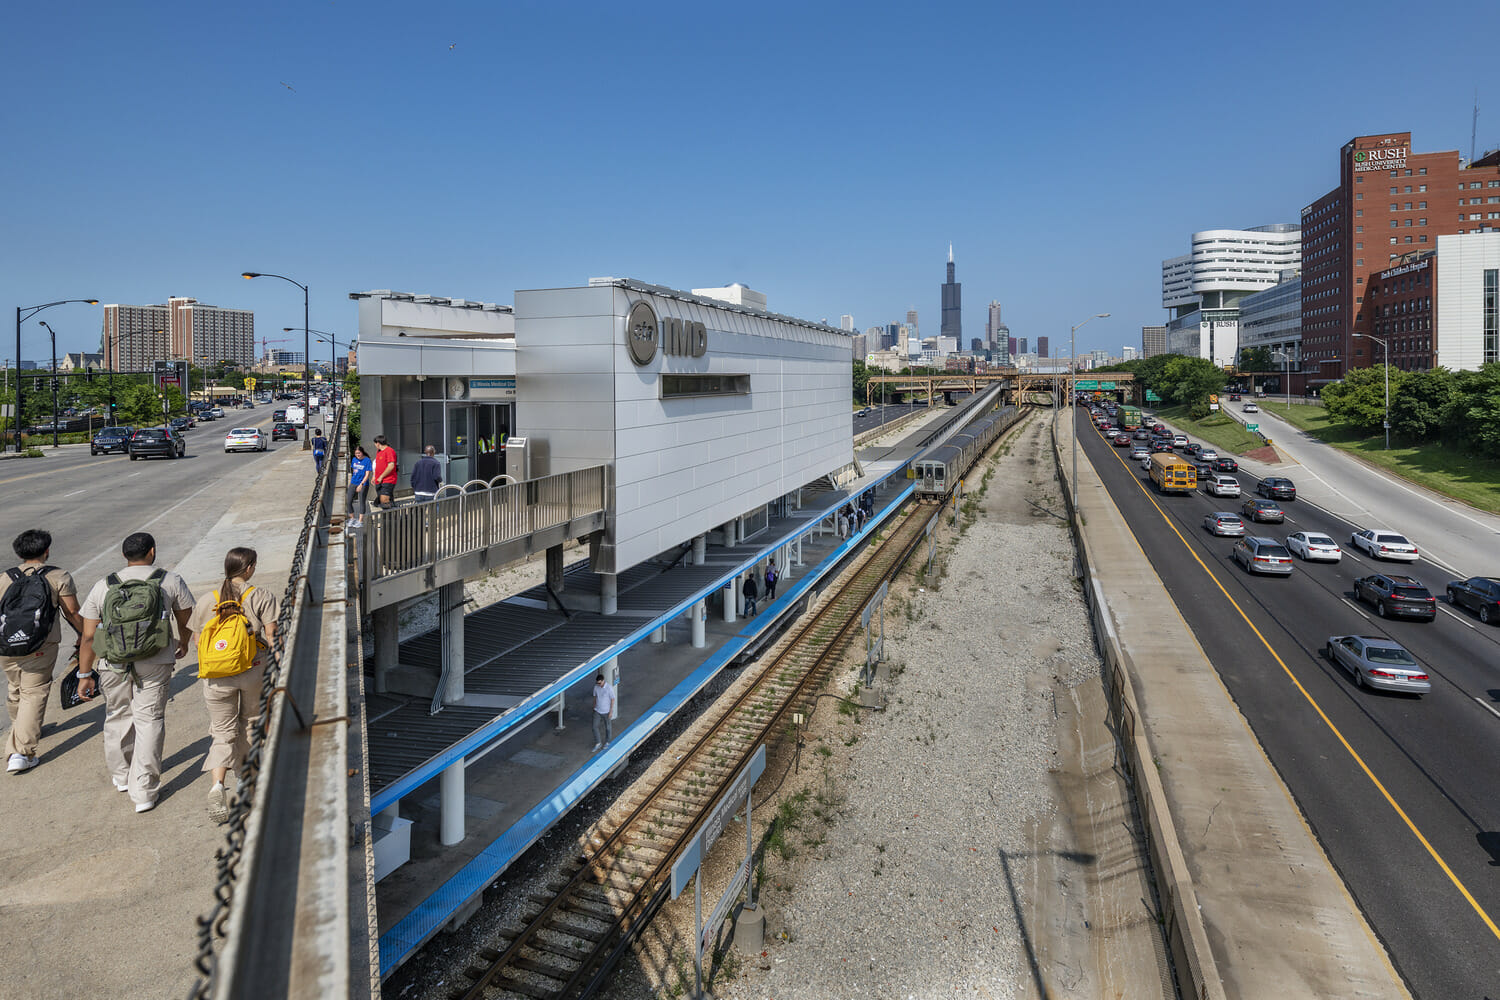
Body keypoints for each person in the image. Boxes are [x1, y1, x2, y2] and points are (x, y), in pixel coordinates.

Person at [77, 532, 195, 813]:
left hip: (112, 662)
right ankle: (144, 791)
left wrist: (84, 675)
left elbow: (89, 636)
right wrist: (183, 642)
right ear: (152, 552)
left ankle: (121, 776)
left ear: (124, 556)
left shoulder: (104, 585)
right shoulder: (169, 580)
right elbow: (187, 616)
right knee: (149, 719)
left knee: (117, 716)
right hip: (156, 658)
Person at [187, 547, 277, 824]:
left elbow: (198, 642)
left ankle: (217, 785)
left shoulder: (207, 600)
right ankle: (245, 786)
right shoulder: (260, 595)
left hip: (216, 677)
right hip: (253, 670)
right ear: (248, 568)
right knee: (251, 722)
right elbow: (273, 636)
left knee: (222, 733)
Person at [2, 530, 84, 774]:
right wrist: (86, 636)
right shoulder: (58, 576)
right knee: (34, 693)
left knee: (16, 688)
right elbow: (72, 612)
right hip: (40, 645)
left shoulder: (5, 578)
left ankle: (23, 728)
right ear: (46, 551)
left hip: (7, 646)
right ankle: (21, 752)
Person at [347, 445, 373, 528]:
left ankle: (360, 521)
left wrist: (361, 484)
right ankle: (352, 518)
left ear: (362, 452)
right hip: (353, 482)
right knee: (348, 500)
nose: (357, 455)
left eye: (359, 453)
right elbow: (354, 470)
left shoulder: (367, 460)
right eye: (356, 453)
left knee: (361, 501)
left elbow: (367, 474)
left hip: (363, 483)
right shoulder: (354, 459)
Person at [590, 672, 615, 752]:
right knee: (594, 727)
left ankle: (607, 742)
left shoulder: (609, 688)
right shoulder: (596, 687)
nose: (599, 685)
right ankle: (598, 743)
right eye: (598, 683)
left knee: (607, 728)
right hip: (597, 710)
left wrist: (611, 711)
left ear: (603, 680)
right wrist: (594, 707)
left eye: (600, 683)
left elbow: (612, 699)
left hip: (606, 711)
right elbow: (595, 697)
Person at [372, 434, 398, 509]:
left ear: (378, 443)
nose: (375, 445)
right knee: (384, 500)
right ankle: (393, 517)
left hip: (388, 480)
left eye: (375, 444)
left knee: (384, 501)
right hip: (379, 481)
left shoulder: (389, 451)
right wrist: (374, 476)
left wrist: (381, 477)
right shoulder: (379, 452)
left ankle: (388, 519)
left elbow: (391, 466)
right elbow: (377, 466)